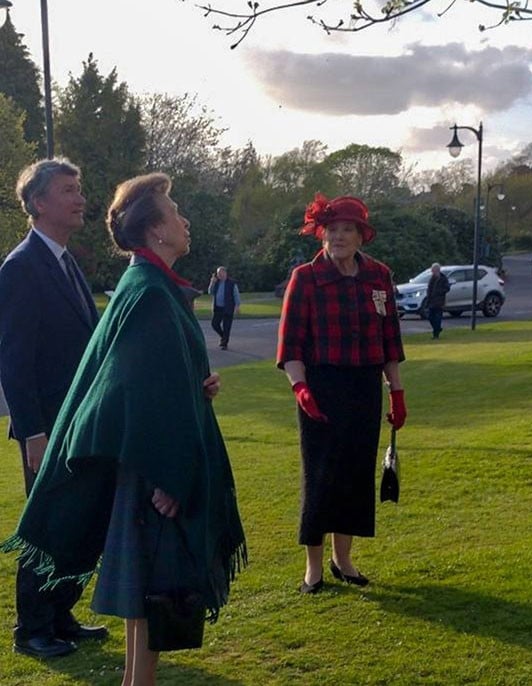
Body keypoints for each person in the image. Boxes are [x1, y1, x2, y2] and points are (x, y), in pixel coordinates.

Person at [3, 172, 247, 684]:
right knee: (151, 586)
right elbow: (127, 381)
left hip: (140, 455)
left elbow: (136, 367)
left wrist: (192, 382)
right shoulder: (150, 291)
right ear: (155, 231)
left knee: (143, 594)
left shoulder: (145, 283)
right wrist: (170, 477)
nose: (184, 219)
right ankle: (40, 626)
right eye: (175, 210)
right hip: (148, 462)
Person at [0, 158, 105, 659]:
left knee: (77, 523)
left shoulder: (67, 261)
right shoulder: (21, 267)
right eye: (68, 189)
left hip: (79, 426)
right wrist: (33, 433)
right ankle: (32, 630)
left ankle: (61, 615)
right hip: (47, 430)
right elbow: (14, 362)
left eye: (78, 188)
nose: (80, 198)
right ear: (39, 203)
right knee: (45, 526)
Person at [277, 193, 407, 594]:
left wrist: (396, 392)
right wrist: (301, 388)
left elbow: (390, 340)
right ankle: (312, 568)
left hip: (364, 386)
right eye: (332, 230)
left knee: (355, 474)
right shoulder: (305, 277)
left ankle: (343, 559)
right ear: (322, 235)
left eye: (347, 230)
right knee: (320, 476)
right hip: (320, 388)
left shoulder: (378, 276)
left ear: (361, 236)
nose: (339, 237)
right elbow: (290, 346)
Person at [208, 266, 241, 350]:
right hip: (218, 308)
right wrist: (212, 283)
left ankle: (224, 343)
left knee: (227, 326)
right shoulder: (216, 282)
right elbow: (210, 292)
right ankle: (224, 337)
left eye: (221, 273)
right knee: (214, 324)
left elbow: (236, 295)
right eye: (218, 273)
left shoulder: (232, 283)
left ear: (225, 273)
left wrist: (237, 306)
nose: (219, 275)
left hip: (228, 308)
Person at [425, 262, 451, 339]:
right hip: (432, 301)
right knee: (430, 317)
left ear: (437, 270)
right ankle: (438, 329)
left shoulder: (443, 278)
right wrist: (428, 298)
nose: (432, 271)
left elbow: (447, 288)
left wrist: (439, 292)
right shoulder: (432, 278)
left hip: (439, 301)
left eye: (433, 270)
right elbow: (429, 289)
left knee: (437, 318)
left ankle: (436, 335)